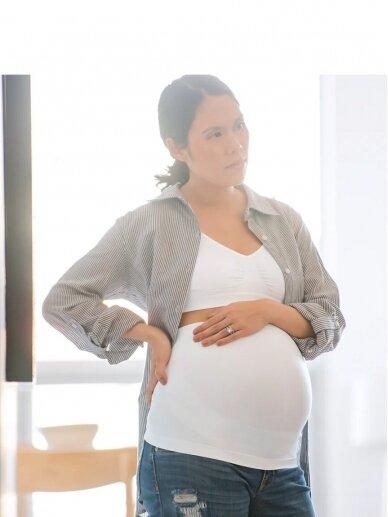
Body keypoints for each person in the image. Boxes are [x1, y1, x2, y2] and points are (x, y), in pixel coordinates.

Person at [42, 74, 345, 517]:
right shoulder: (150, 223)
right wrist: (147, 333)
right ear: (177, 147)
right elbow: (64, 299)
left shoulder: (284, 221)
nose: (235, 143)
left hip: (280, 466)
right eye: (215, 134)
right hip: (191, 456)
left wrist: (270, 311)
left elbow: (330, 316)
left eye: (239, 125)